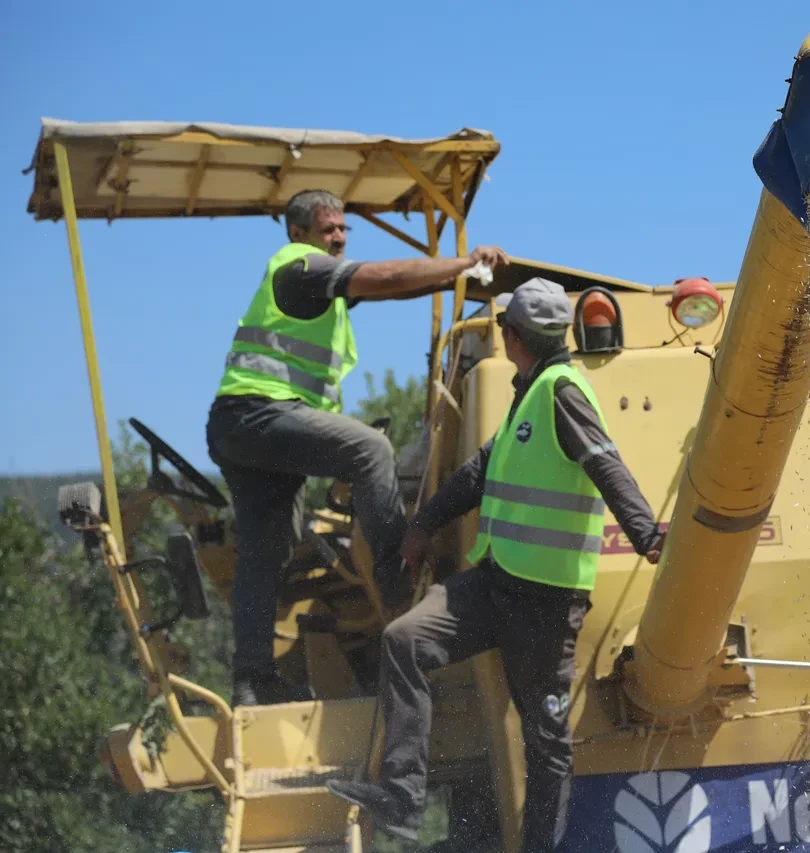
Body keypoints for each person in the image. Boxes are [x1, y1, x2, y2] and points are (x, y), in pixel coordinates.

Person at [326, 278, 667, 850]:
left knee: (545, 745)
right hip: (495, 583)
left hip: (546, 605)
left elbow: (607, 463)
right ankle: (403, 799)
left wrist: (645, 533)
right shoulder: (527, 394)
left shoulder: (562, 392)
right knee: (405, 640)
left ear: (512, 337)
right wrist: (424, 525)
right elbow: (478, 473)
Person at [206, 188, 510, 707]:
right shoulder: (299, 268)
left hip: (243, 426)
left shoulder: (316, 283)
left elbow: (393, 289)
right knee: (370, 450)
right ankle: (396, 583)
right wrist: (466, 261)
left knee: (266, 554)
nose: (340, 237)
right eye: (330, 229)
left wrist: (453, 276)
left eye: (345, 229)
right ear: (299, 233)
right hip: (261, 415)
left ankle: (252, 681)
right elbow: (387, 277)